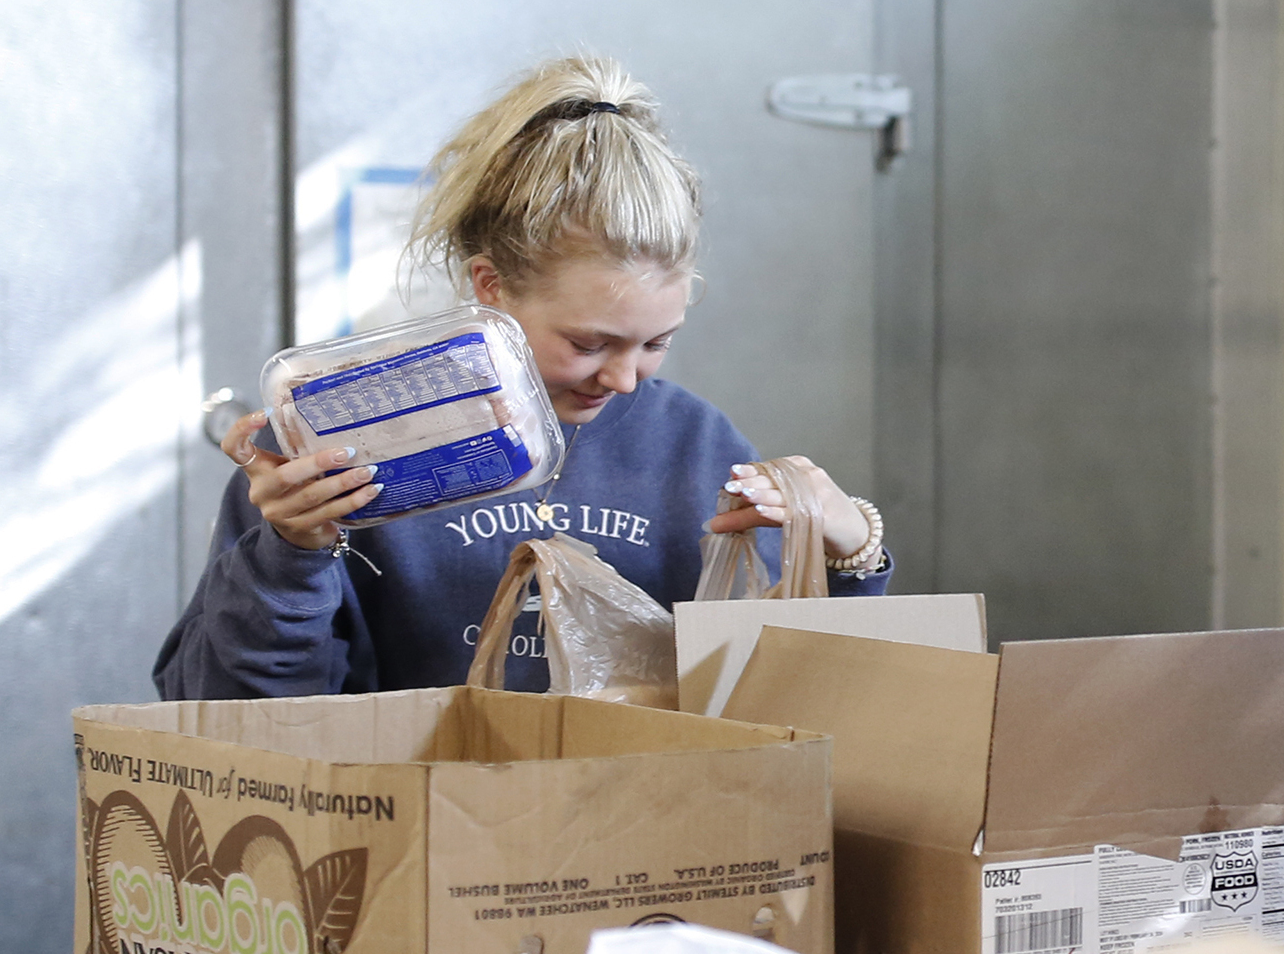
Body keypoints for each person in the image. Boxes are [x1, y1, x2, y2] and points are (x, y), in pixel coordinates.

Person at [155, 55, 887, 700]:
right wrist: (291, 554)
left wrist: (852, 551)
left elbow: (804, 703)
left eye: (656, 343)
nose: (625, 379)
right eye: (589, 343)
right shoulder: (340, 450)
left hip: (652, 837)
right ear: (491, 287)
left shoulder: (693, 445)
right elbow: (225, 714)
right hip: (422, 836)